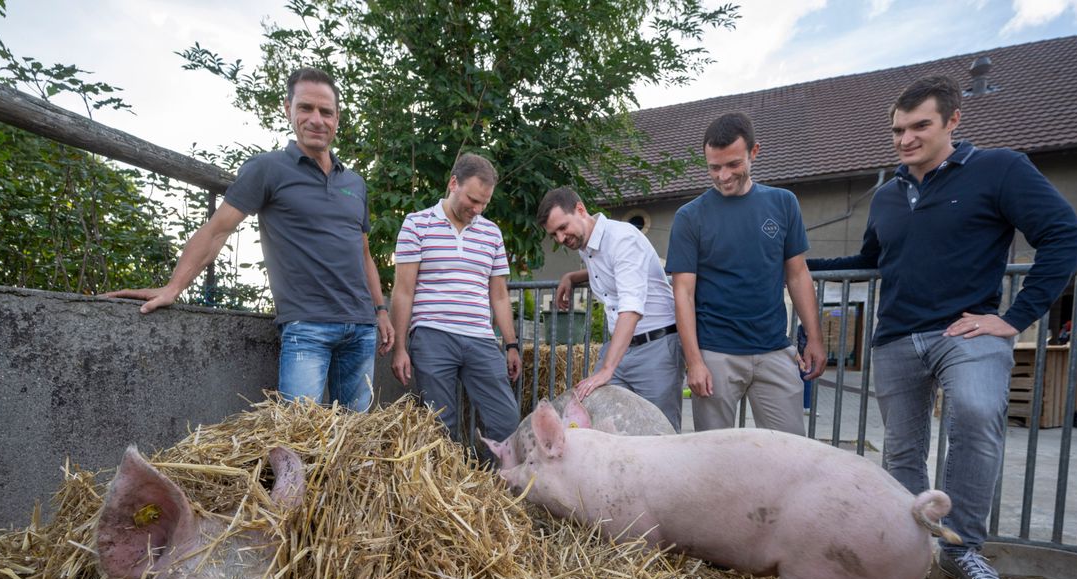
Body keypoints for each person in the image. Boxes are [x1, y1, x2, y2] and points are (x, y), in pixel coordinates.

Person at [809, 75, 1077, 579]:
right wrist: (799, 263)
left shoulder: (999, 170)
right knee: (902, 451)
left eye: (920, 126)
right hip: (893, 337)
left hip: (965, 330)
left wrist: (1014, 317)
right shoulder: (889, 194)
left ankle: (963, 550)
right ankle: (907, 553)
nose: (906, 138)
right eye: (898, 129)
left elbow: (1066, 236)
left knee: (978, 412)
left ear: (953, 121)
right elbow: (871, 261)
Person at [105, 68, 393, 411]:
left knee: (356, 438)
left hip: (360, 329)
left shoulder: (355, 183)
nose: (316, 119)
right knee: (297, 437)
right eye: (306, 108)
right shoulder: (267, 169)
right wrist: (173, 287)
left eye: (326, 112)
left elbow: (363, 253)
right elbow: (217, 230)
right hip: (307, 327)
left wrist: (380, 311)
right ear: (287, 109)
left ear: (337, 118)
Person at [665, 112, 826, 435]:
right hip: (716, 355)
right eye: (714, 167)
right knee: (715, 459)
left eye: (733, 165)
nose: (723, 176)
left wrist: (815, 338)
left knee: (790, 453)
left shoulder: (783, 203)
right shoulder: (690, 217)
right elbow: (682, 293)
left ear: (754, 152)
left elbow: (797, 274)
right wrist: (694, 361)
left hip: (774, 349)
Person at [390, 153, 521, 445]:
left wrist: (511, 344)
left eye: (484, 203)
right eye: (473, 200)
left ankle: (493, 487)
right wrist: (400, 347)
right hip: (432, 335)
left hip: (481, 338)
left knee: (506, 421)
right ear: (453, 183)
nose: (477, 209)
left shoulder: (492, 233)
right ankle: (442, 490)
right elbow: (403, 290)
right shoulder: (416, 224)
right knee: (439, 426)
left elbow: (499, 295)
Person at [537, 187, 686, 430]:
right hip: (621, 347)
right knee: (604, 426)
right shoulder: (589, 245)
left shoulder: (622, 238)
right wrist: (573, 276)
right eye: (554, 235)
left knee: (661, 433)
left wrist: (607, 369)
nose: (561, 239)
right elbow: (611, 270)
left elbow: (631, 308)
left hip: (656, 349)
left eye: (563, 228)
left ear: (581, 210)